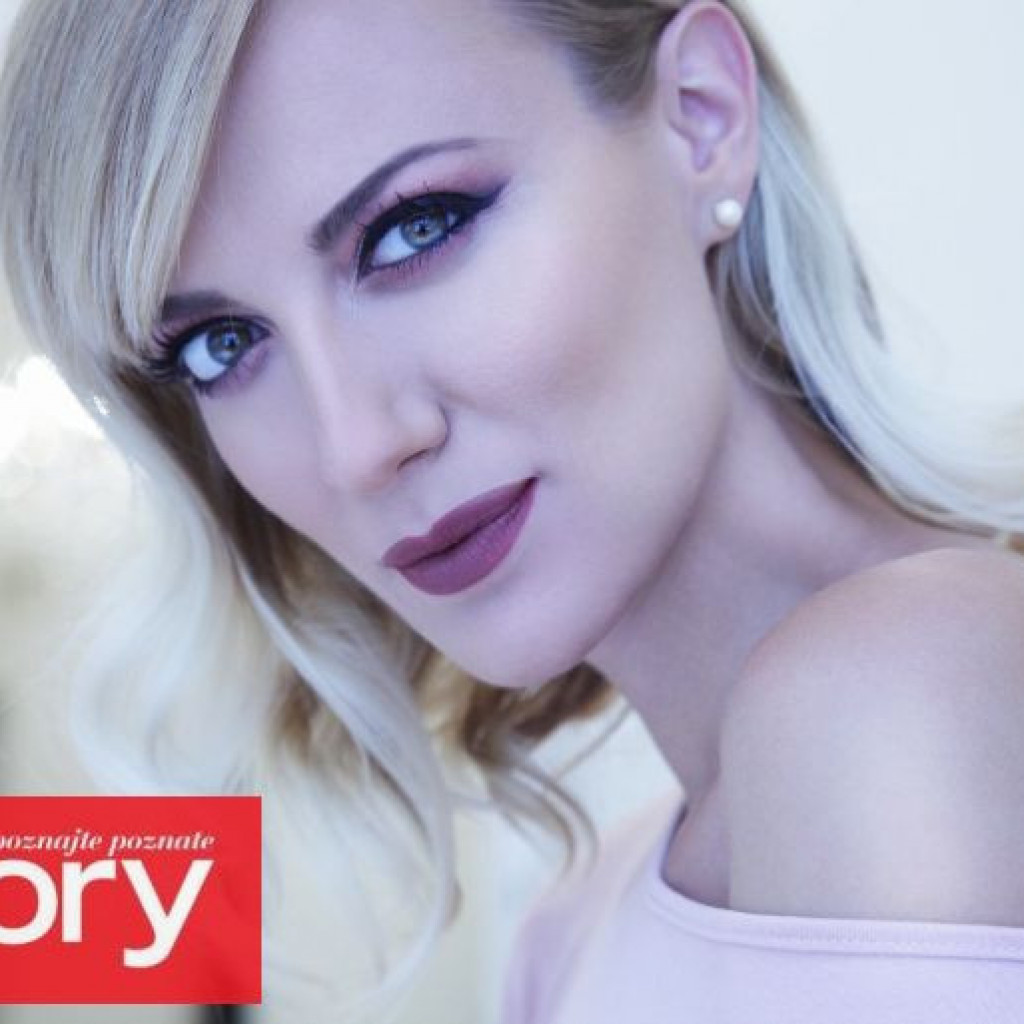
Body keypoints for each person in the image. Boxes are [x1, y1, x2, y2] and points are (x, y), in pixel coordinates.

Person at [1, 1, 1023, 1021]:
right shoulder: (570, 931)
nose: (356, 446)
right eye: (222, 344)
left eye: (414, 228)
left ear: (700, 116)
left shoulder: (907, 686)